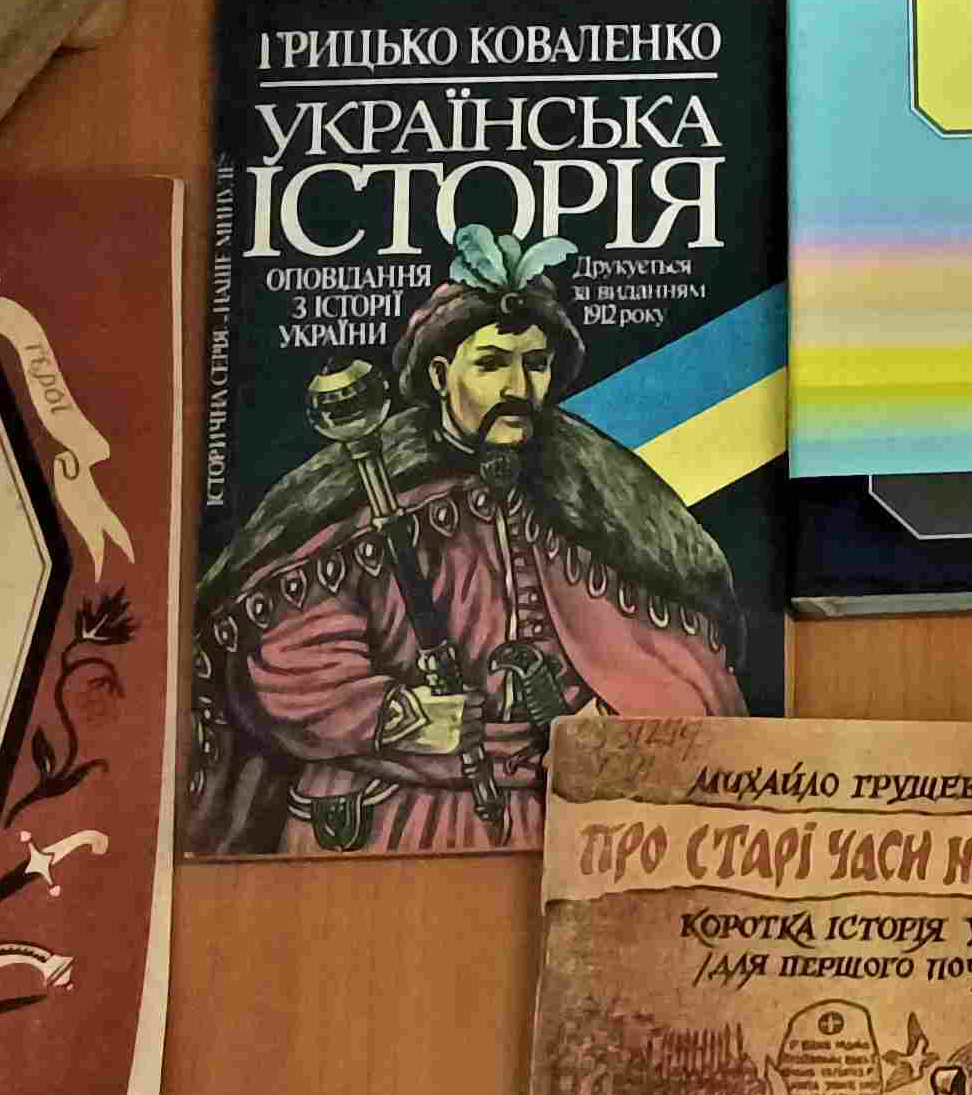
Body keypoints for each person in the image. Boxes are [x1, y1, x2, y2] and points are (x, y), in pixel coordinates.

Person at [189, 233, 746, 854]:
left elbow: (670, 659)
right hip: (385, 822)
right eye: (491, 364)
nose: (519, 387)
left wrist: (602, 721)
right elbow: (285, 658)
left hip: (550, 817)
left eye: (535, 364)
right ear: (440, 374)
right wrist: (399, 714)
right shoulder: (364, 491)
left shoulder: (593, 490)